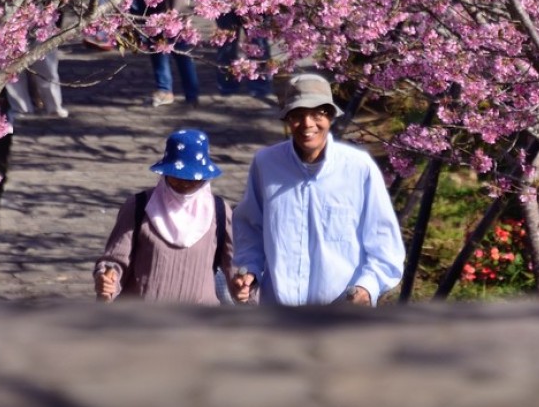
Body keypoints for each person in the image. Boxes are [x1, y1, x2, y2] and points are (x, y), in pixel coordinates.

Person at [229, 73, 405, 305]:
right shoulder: (266, 164)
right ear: (287, 119)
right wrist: (249, 271)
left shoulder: (358, 168)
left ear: (330, 117)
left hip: (341, 314)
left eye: (317, 114)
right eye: (298, 115)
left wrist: (367, 287)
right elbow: (251, 229)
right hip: (280, 313)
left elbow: (384, 243)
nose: (307, 124)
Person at [95, 128, 234, 303]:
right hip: (141, 323)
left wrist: (245, 284)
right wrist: (107, 280)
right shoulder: (138, 207)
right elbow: (115, 259)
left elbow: (235, 265)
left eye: (192, 179)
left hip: (200, 324)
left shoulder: (219, 212)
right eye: (176, 177)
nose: (184, 184)